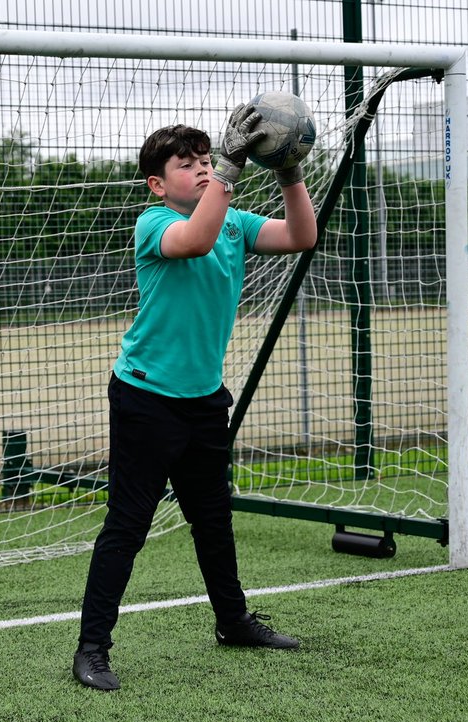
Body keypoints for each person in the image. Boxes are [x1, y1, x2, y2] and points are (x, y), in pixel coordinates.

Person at [72, 104, 318, 691]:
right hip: (145, 398)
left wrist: (287, 170)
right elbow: (198, 237)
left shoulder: (234, 221)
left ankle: (233, 622)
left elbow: (303, 235)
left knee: (212, 518)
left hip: (205, 401)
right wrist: (231, 172)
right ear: (159, 184)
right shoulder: (154, 224)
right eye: (189, 165)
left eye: (209, 160)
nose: (205, 170)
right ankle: (91, 649)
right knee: (127, 524)